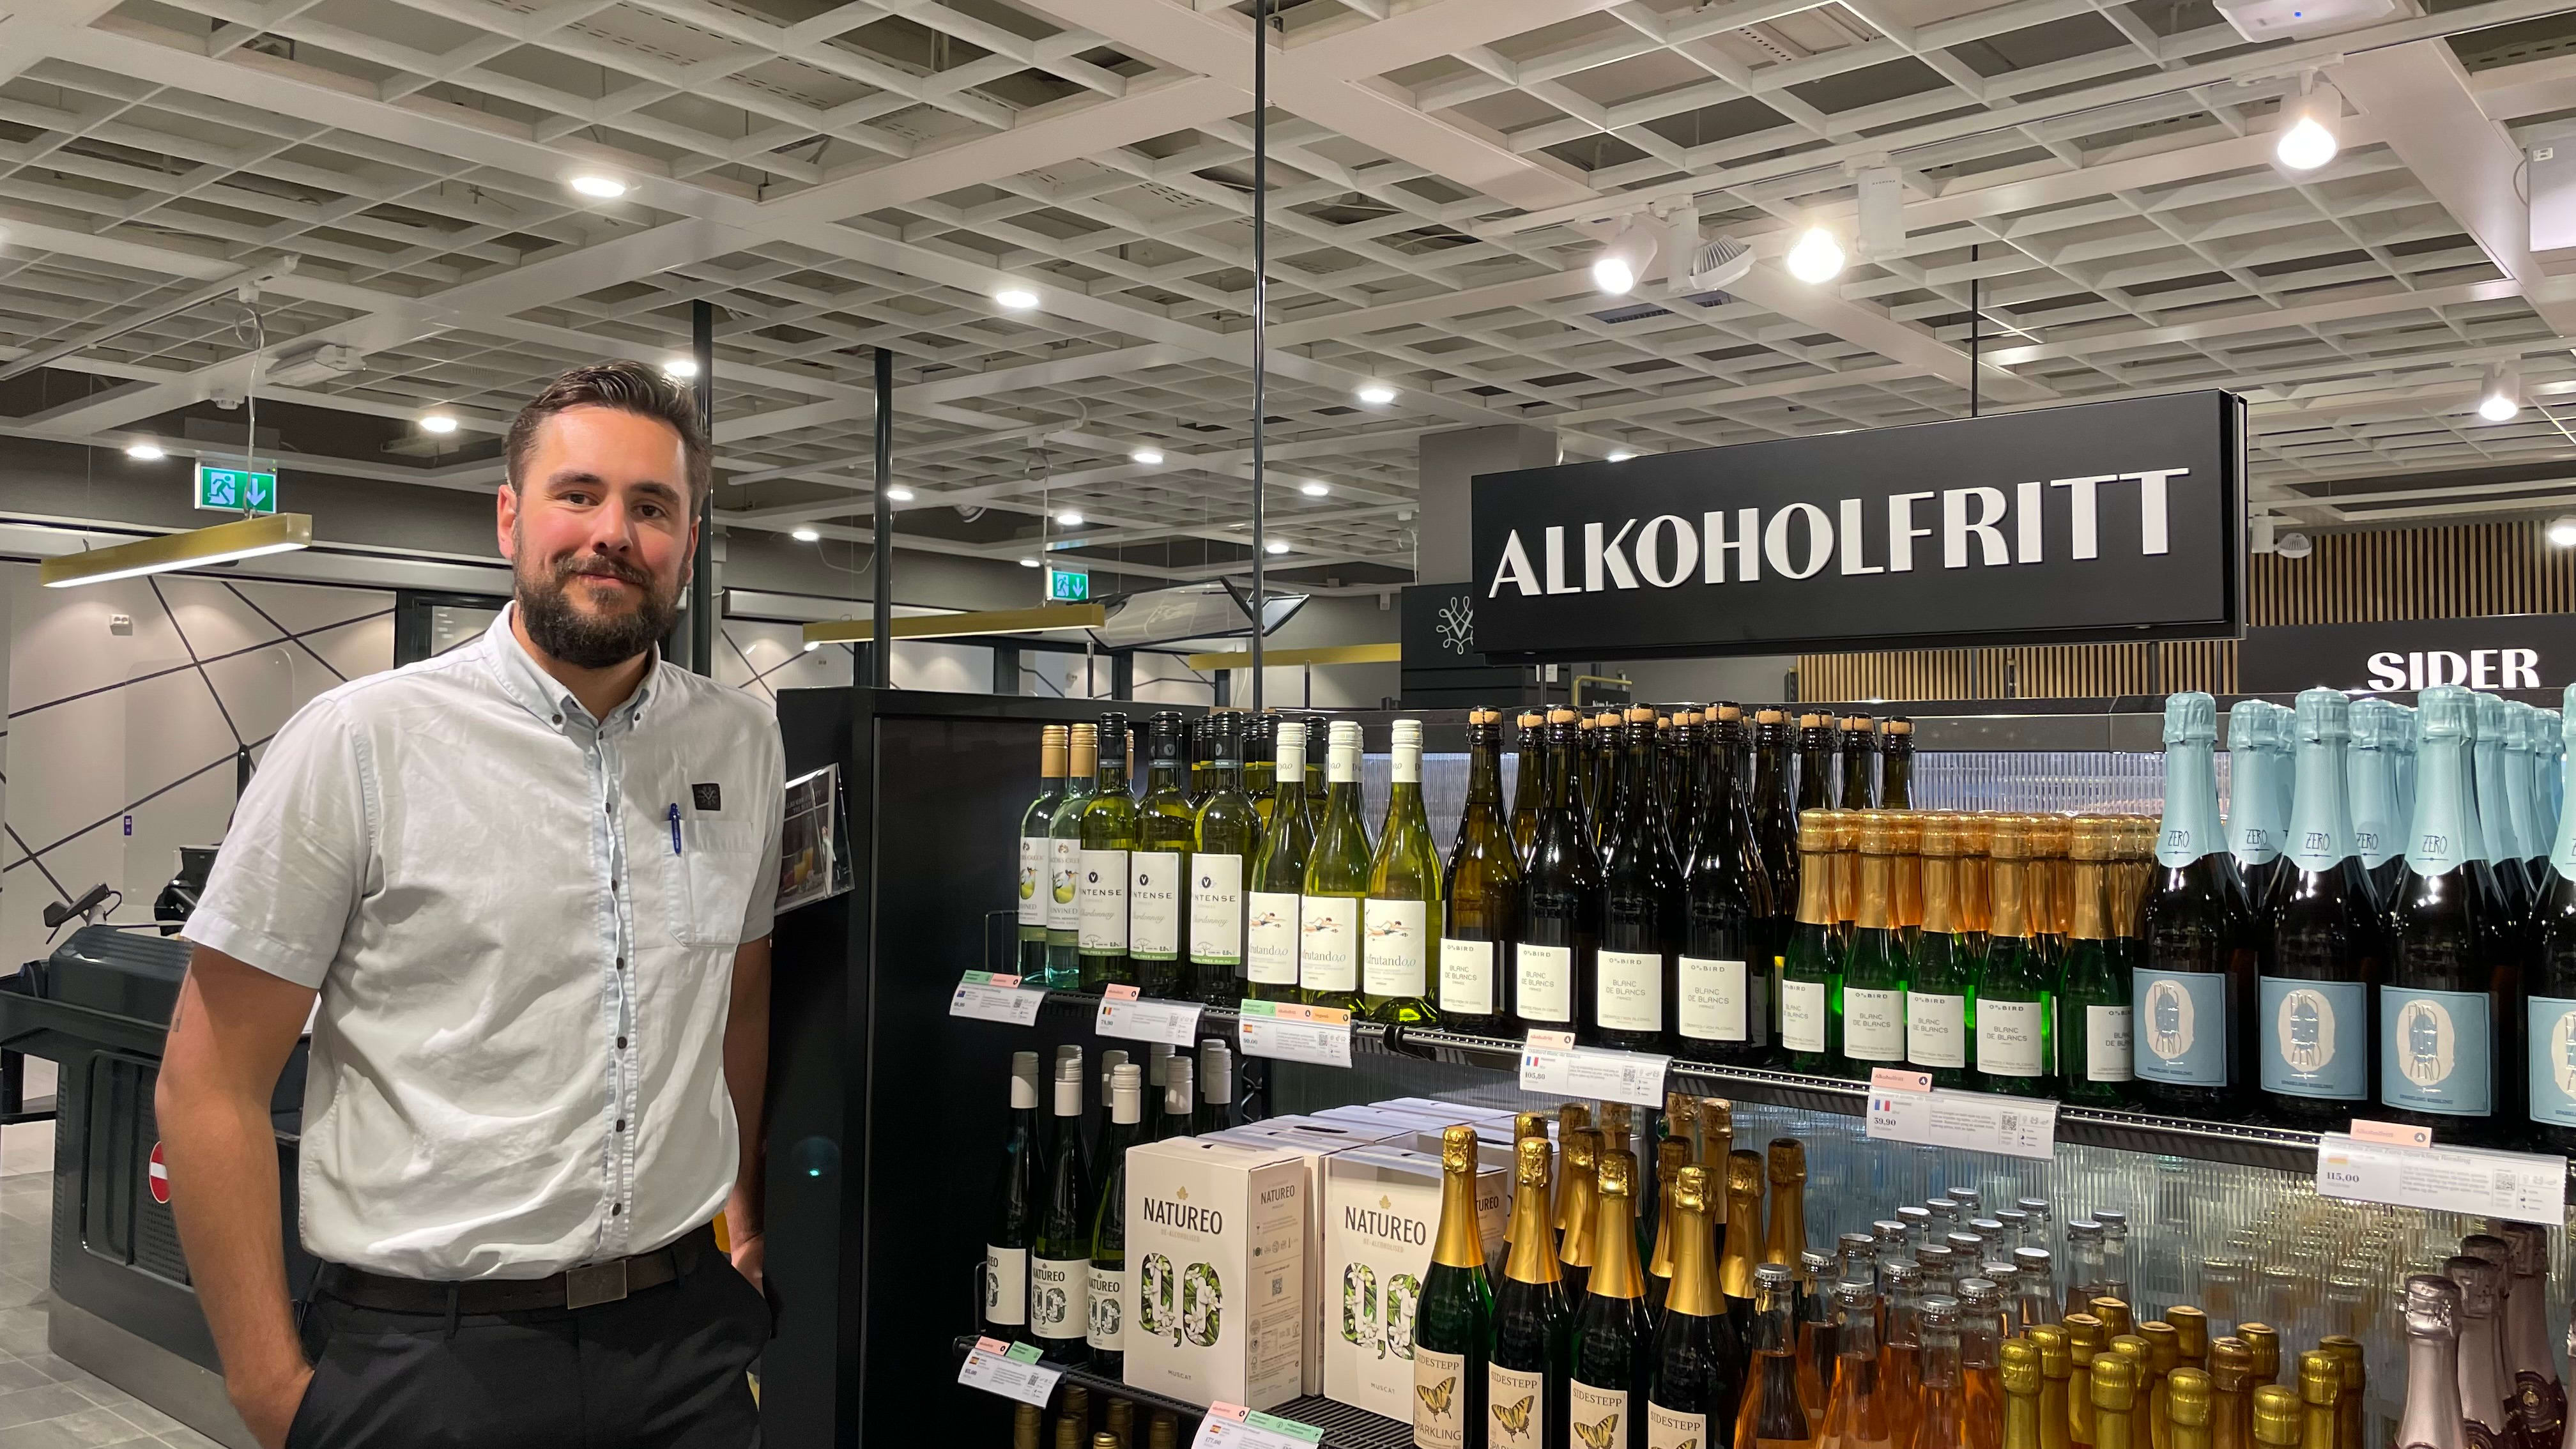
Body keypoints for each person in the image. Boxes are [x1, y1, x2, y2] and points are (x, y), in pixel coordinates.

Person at [158, 361, 785, 1449]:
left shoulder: (740, 741)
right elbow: (209, 1081)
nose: (614, 533)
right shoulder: (362, 741)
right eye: (578, 495)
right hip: (431, 1360)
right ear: (510, 517)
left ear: (689, 542)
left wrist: (745, 1224)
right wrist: (270, 1389)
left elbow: (740, 996)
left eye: (652, 507)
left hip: (683, 1346)